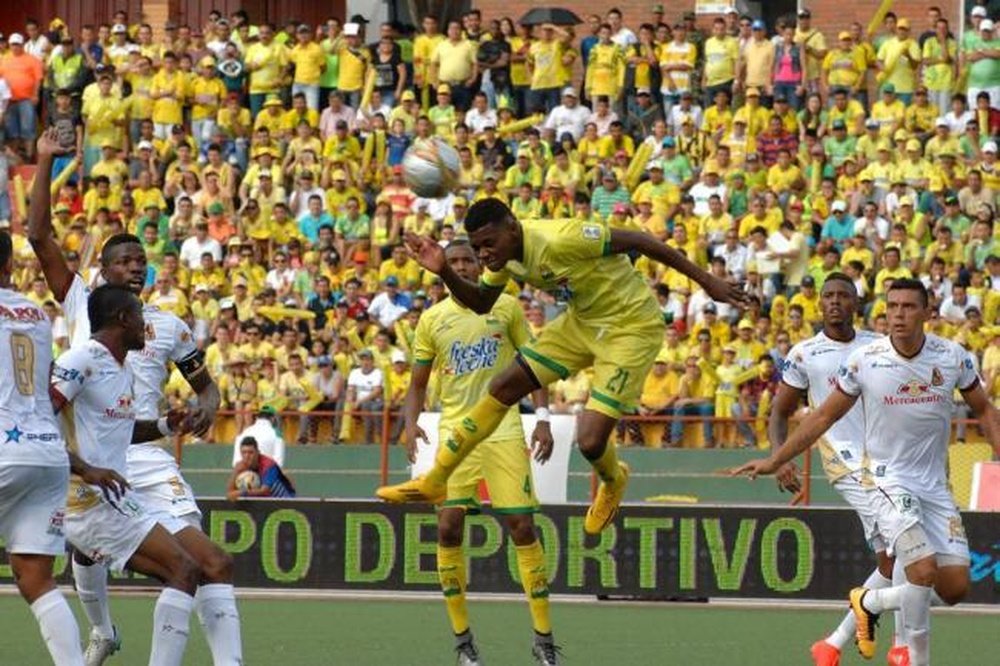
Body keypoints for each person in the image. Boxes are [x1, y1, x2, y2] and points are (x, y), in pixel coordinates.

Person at [377, 198, 746, 534]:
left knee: (589, 441)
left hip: (630, 327)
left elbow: (640, 240)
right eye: (476, 248)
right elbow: (481, 302)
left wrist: (708, 282)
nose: (484, 254)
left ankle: (613, 480)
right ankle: (437, 478)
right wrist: (444, 270)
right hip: (581, 322)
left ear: (513, 228)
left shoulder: (560, 238)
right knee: (503, 387)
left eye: (489, 244)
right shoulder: (505, 257)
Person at [29, 130, 243, 666]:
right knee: (87, 547)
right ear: (104, 271)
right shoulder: (84, 305)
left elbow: (206, 385)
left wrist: (204, 409)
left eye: (142, 260)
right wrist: (46, 163)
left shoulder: (164, 327)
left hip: (142, 452)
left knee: (206, 562)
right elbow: (38, 237)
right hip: (87, 459)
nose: (136, 267)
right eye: (125, 261)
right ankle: (101, 631)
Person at [735, 279, 1000, 666]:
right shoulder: (864, 361)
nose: (898, 314)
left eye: (908, 307)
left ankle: (869, 601)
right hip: (885, 480)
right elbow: (823, 415)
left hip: (934, 484)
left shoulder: (953, 357)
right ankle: (907, 653)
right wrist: (776, 459)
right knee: (920, 570)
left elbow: (985, 410)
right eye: (892, 306)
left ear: (927, 314)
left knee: (955, 586)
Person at [407, 241, 559, 665]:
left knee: (521, 527)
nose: (461, 267)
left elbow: (537, 362)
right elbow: (417, 383)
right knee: (448, 528)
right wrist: (410, 424)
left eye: (467, 261)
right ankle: (463, 642)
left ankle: (544, 640)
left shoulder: (506, 307)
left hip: (504, 428)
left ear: (480, 265)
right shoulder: (433, 319)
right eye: (453, 261)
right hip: (456, 431)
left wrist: (543, 417)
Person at [51, 284, 201, 666]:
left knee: (185, 569)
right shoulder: (81, 360)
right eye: (139, 317)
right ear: (122, 319)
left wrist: (167, 425)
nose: (146, 327)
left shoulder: (121, 370)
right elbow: (35, 422)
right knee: (183, 569)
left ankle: (105, 634)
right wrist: (86, 469)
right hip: (83, 502)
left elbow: (122, 430)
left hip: (113, 498)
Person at [765, 274, 893, 666]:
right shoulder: (805, 354)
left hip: (888, 462)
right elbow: (779, 412)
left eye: (843, 295)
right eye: (828, 296)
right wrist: (780, 457)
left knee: (893, 560)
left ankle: (834, 643)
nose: (835, 301)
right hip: (845, 462)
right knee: (905, 552)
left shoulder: (878, 345)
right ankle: (902, 648)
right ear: (820, 304)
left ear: (856, 303)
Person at [0, 230, 87, 665]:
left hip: (2, 450)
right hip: (45, 452)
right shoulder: (34, 312)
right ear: (8, 267)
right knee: (37, 580)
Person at [226, 436, 296, 499]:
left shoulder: (269, 465)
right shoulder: (240, 466)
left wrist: (242, 493)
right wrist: (236, 471)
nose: (247, 456)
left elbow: (264, 491)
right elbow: (229, 493)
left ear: (258, 452)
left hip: (284, 501)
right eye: (244, 452)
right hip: (263, 503)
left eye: (250, 452)